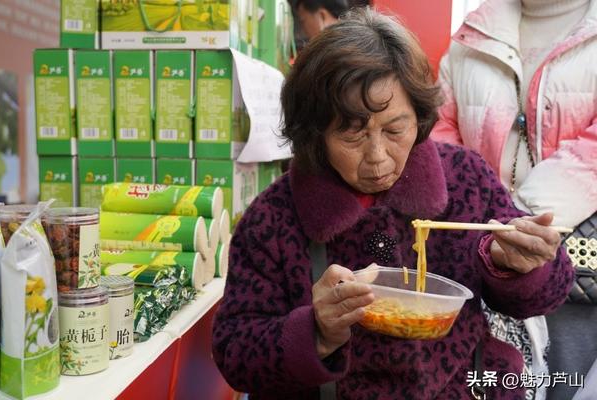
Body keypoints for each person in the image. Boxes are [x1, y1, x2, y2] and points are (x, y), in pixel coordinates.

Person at [212, 7, 574, 399]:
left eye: (394, 129)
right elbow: (235, 353)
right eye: (352, 135)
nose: (378, 157)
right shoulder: (272, 219)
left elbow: (548, 293)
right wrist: (317, 331)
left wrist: (517, 265)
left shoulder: (465, 179)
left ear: (418, 119)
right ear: (314, 134)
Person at [432, 1, 597, 398]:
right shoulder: (471, 36)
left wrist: (516, 216)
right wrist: (487, 224)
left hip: (578, 260)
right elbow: (440, 131)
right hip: (483, 258)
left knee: (570, 382)